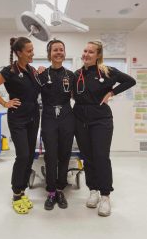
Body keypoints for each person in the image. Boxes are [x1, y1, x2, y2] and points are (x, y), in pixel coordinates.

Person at [73, 41, 136, 217]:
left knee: (101, 156)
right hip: (80, 120)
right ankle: (93, 190)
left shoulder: (107, 71)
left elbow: (130, 81)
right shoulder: (77, 74)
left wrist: (112, 93)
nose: (86, 54)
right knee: (87, 157)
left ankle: (105, 196)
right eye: (85, 50)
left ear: (98, 55)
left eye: (91, 52)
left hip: (101, 120)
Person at [0, 37, 40, 214]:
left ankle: (23, 190)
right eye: (29, 51)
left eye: (33, 50)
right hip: (18, 118)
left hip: (33, 117)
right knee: (23, 155)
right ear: (19, 53)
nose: (33, 53)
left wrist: (40, 73)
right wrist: (4, 102)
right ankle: (16, 193)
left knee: (30, 155)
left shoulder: (31, 70)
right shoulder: (9, 71)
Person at [37, 39, 75, 210]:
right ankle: (51, 192)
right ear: (49, 54)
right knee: (51, 156)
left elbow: (78, 97)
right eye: (55, 50)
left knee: (65, 155)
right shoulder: (42, 75)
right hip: (49, 117)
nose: (59, 52)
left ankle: (60, 190)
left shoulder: (71, 75)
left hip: (67, 117)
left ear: (64, 53)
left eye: (61, 49)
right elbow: (29, 92)